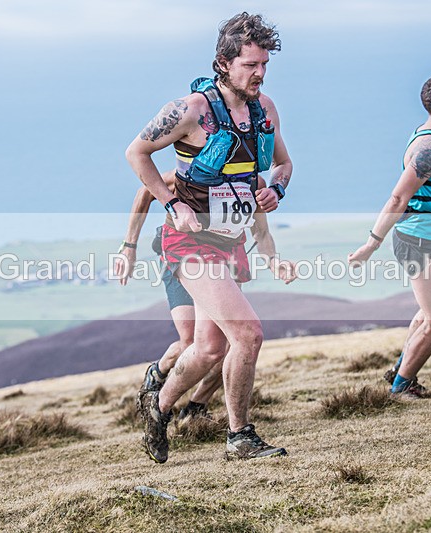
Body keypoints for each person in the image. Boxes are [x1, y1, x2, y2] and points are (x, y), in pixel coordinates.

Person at [125, 12, 293, 462]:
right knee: (248, 334)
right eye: (250, 65)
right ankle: (239, 436)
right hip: (190, 243)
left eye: (263, 65)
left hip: (230, 242)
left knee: (209, 346)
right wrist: (170, 201)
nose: (258, 73)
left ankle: (157, 408)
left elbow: (283, 164)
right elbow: (136, 153)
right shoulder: (191, 110)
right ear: (224, 62)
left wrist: (274, 188)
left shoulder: (266, 110)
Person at [114, 171, 296, 422]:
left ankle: (196, 405)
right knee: (190, 343)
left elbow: (261, 232)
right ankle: (158, 373)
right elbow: (145, 190)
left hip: (224, 261)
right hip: (184, 256)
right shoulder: (192, 172)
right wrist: (129, 246)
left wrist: (275, 262)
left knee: (232, 343)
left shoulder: (254, 183)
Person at [348, 72, 431, 398]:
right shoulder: (430, 147)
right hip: (417, 242)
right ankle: (401, 388)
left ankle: (401, 370)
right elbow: (398, 199)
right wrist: (370, 244)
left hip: (427, 236)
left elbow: (420, 197)